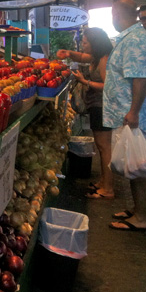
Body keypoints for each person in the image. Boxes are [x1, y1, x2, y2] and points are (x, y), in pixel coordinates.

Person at [103, 0, 146, 231]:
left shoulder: (135, 40)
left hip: (133, 115)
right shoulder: (131, 38)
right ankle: (138, 210)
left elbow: (140, 77)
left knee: (140, 166)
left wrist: (134, 111)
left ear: (116, 14)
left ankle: (142, 218)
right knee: (133, 164)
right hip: (126, 112)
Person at [57, 28, 114, 198]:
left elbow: (108, 87)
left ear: (94, 44)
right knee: (102, 146)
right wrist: (68, 53)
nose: (83, 44)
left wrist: (85, 81)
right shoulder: (97, 56)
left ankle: (108, 189)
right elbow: (82, 57)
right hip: (97, 106)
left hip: (102, 107)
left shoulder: (103, 60)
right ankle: (103, 182)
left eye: (86, 42)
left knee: (104, 148)